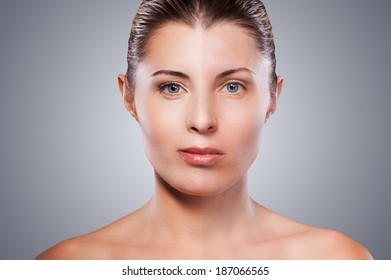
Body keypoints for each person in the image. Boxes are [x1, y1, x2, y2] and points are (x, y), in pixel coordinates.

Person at [36, 0, 372, 259]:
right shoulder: (64, 267)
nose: (201, 119)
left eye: (232, 87)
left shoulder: (335, 262)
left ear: (273, 96)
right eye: (171, 87)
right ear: (129, 97)